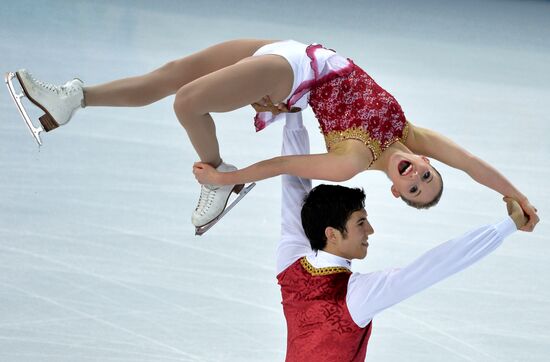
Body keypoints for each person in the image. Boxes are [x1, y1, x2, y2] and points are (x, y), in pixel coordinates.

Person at [12, 39, 538, 230]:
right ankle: (75, 99)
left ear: (398, 194)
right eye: (430, 177)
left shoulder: (350, 164)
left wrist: (233, 174)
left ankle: (215, 185)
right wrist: (514, 195)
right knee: (173, 73)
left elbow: (285, 167)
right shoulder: (410, 134)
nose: (420, 176)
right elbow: (470, 162)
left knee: (187, 101)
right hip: (292, 50)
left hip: (294, 74)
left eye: (416, 189)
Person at [276, 112, 528, 361]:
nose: (370, 230)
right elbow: (436, 265)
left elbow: (294, 185)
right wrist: (507, 226)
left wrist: (293, 115)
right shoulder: (355, 296)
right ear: (331, 234)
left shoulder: (291, 264)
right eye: (360, 222)